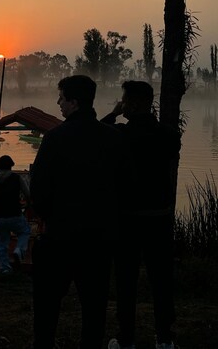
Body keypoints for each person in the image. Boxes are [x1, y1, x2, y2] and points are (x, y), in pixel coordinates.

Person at [30, 75, 122, 349]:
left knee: (47, 305)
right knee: (94, 306)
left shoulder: (55, 138)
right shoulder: (113, 139)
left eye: (61, 97)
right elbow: (124, 185)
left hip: (59, 236)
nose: (58, 102)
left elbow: (39, 190)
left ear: (74, 102)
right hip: (99, 239)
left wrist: (46, 218)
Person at [102, 81, 181, 349]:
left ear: (131, 104)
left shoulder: (118, 134)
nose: (121, 102)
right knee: (161, 279)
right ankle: (165, 338)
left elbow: (97, 134)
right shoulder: (168, 134)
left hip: (127, 219)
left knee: (126, 280)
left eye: (123, 99)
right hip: (159, 218)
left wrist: (113, 113)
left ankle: (126, 339)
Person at [0, 154, 31, 273]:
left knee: (1, 244)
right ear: (11, 166)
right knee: (25, 231)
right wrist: (28, 205)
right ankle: (19, 250)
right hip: (15, 214)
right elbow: (28, 194)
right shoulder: (17, 178)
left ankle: (5, 269)